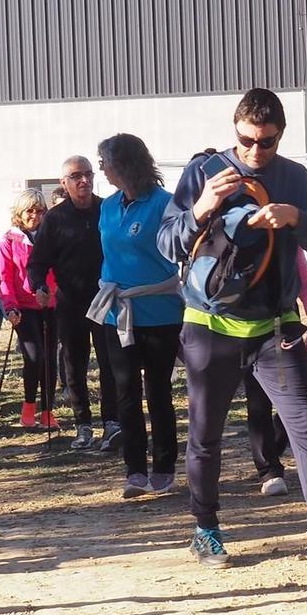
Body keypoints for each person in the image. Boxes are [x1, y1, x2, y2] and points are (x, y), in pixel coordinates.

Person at [158, 88, 307, 578]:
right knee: (205, 435)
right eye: (247, 140)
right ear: (235, 132)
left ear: (280, 137)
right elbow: (167, 243)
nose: (255, 152)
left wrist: (296, 216)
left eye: (266, 143)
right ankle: (205, 530)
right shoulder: (203, 173)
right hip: (209, 326)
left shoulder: (293, 177)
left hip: (277, 327)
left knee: (306, 430)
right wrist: (204, 205)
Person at [87, 134, 185, 499]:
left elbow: (178, 250)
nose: (102, 170)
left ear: (124, 163)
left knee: (158, 390)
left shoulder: (164, 203)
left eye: (104, 162)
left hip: (158, 311)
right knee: (125, 392)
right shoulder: (108, 206)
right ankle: (134, 468)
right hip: (117, 312)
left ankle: (163, 465)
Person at [28, 154, 120, 451]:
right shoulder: (54, 219)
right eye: (77, 176)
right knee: (74, 366)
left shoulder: (108, 209)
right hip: (71, 303)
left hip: (107, 301)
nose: (85, 180)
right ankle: (83, 426)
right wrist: (39, 285)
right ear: (64, 183)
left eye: (89, 174)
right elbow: (37, 262)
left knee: (109, 363)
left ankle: (112, 423)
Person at [243, 250, 307, 496]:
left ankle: (274, 450)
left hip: (285, 322)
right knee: (257, 400)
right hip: (244, 325)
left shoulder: (287, 237)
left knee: (298, 400)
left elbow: (306, 283)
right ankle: (269, 471)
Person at [0, 189, 58, 430]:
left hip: (50, 304)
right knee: (34, 356)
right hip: (24, 307)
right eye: (30, 211)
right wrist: (9, 306)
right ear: (19, 213)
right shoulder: (9, 240)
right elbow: (4, 276)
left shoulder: (50, 236)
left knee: (50, 358)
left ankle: (48, 411)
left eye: (39, 211)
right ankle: (28, 407)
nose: (35, 215)